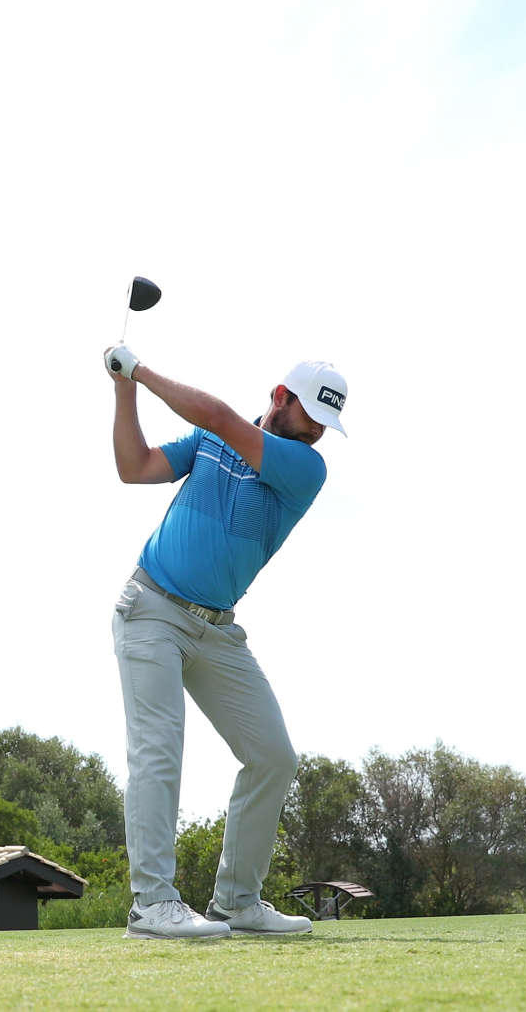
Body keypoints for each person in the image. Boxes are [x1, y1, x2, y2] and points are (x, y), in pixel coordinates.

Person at [103, 343, 348, 940]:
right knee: (158, 751)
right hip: (152, 610)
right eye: (310, 413)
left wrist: (139, 368)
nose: (316, 429)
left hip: (218, 631)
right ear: (280, 396)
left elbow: (218, 419)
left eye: (325, 422)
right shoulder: (214, 443)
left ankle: (237, 901)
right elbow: (134, 467)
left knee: (273, 756)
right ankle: (151, 906)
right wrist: (123, 389)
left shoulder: (305, 468)